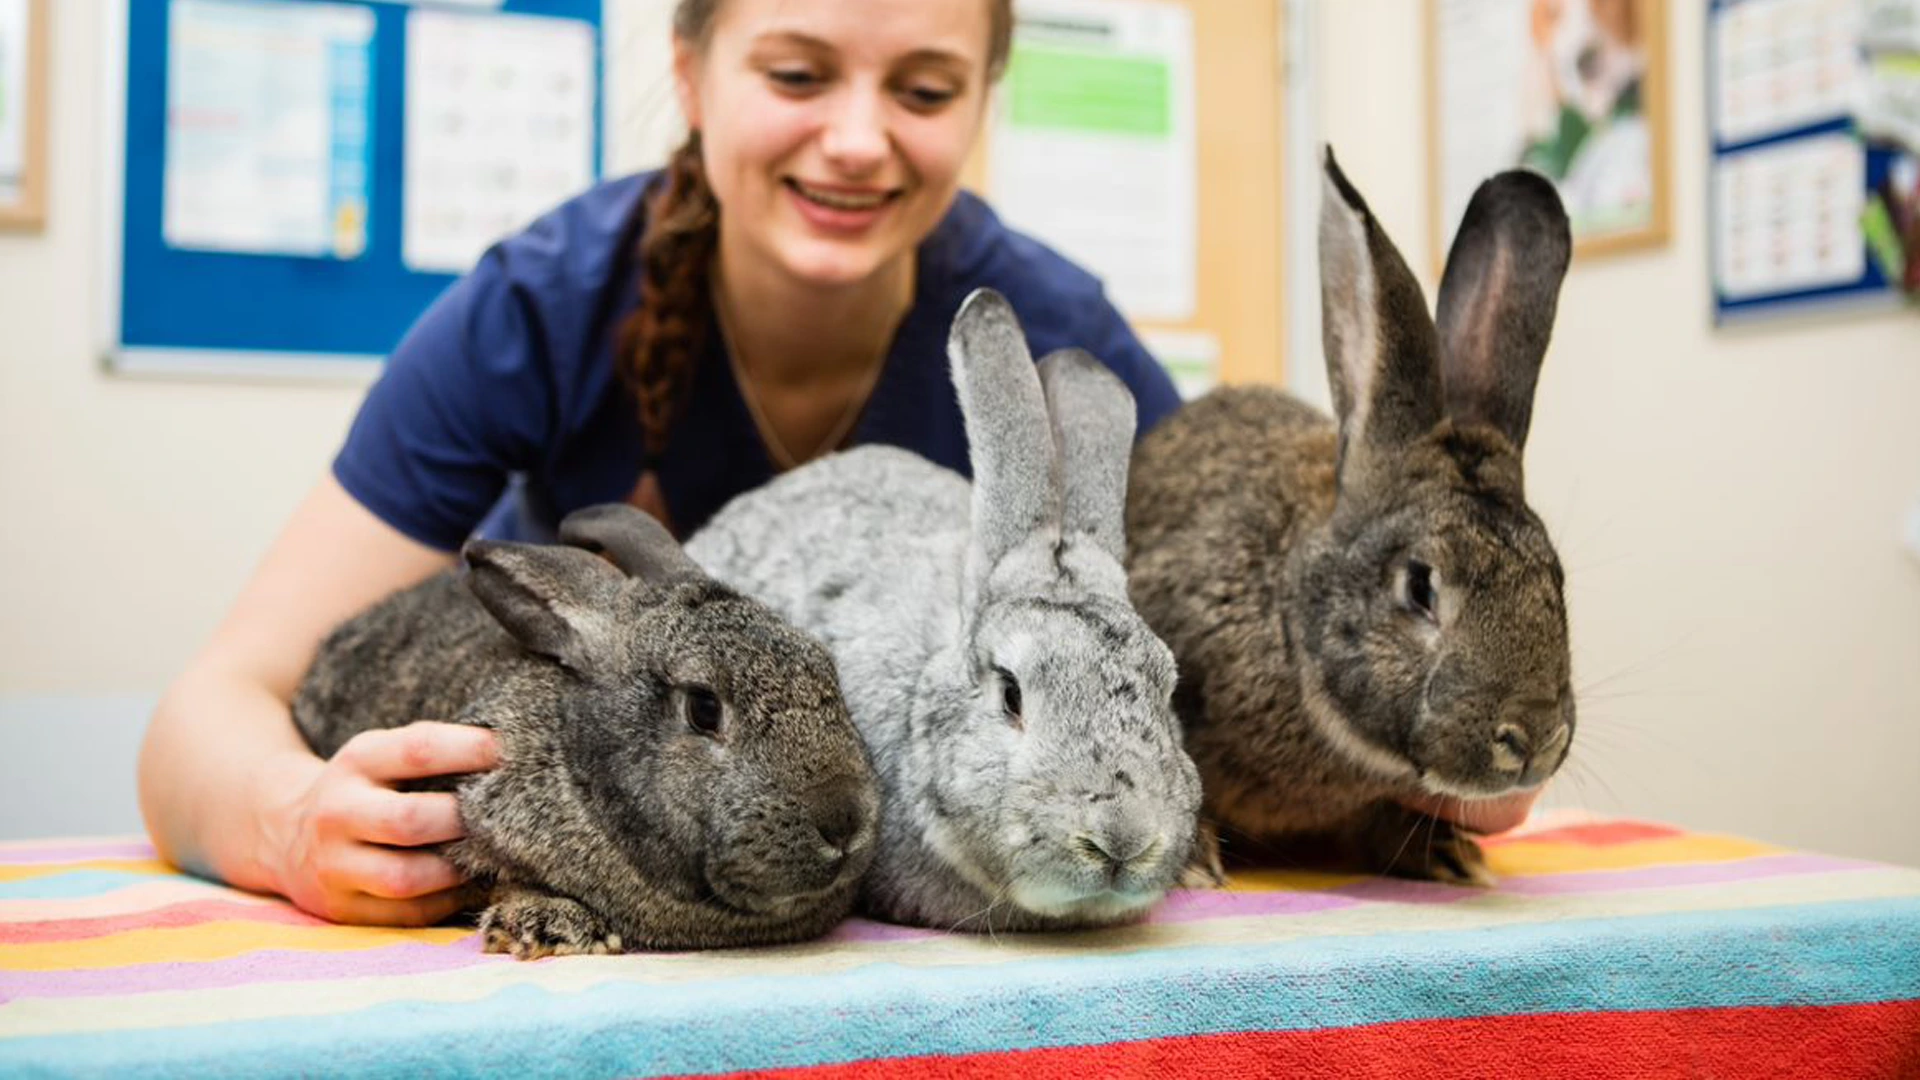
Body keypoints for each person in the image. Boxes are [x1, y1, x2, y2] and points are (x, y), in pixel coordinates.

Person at [138, 0, 1537, 928]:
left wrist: (1423, 724)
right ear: (689, 74)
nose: (858, 138)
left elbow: (1166, 648)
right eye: (797, 73)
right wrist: (281, 819)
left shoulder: (1047, 336)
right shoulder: (541, 310)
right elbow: (208, 711)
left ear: (984, 96)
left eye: (923, 87)